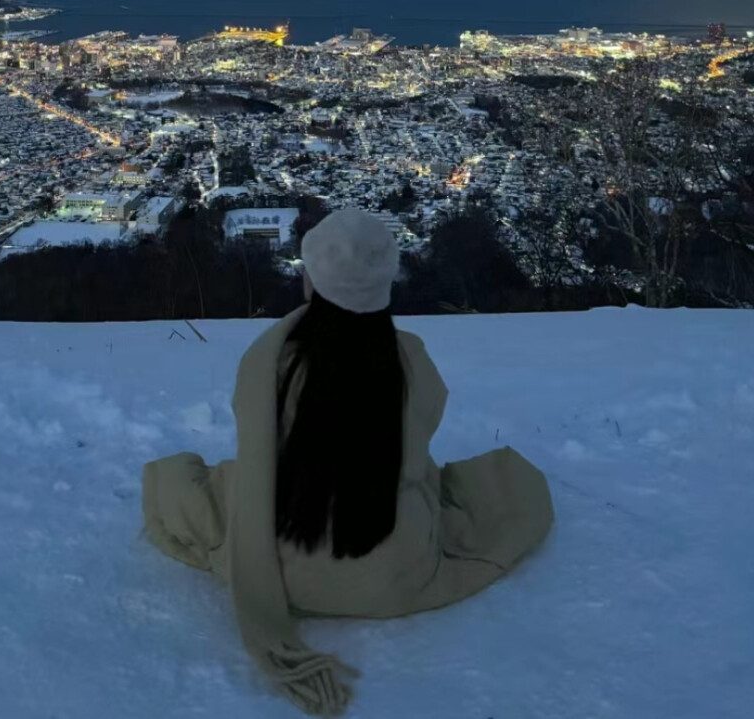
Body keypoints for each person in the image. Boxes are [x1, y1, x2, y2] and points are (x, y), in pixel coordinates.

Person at [142, 206, 554, 716]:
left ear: (311, 279)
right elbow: (417, 442)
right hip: (396, 571)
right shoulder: (408, 358)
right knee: (503, 487)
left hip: (281, 566)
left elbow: (259, 461)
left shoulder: (271, 361)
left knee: (177, 483)